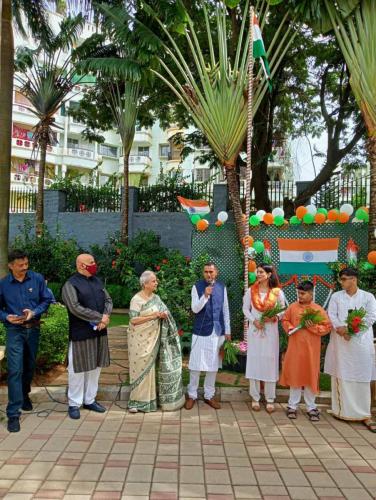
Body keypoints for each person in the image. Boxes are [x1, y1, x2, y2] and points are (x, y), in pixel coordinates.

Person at [0, 250, 52, 433]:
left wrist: (34, 312)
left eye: (26, 264)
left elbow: (47, 300)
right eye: (21, 265)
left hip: (33, 329)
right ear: (11, 266)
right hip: (14, 331)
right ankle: (13, 414)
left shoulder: (36, 279)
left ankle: (24, 394)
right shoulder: (3, 284)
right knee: (15, 369)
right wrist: (7, 317)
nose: (25, 268)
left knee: (29, 367)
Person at [324, 267, 376, 432]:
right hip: (341, 343)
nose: (342, 282)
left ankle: (364, 413)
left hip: (361, 343)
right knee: (343, 373)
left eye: (344, 279)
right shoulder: (336, 296)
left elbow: (370, 317)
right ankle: (341, 411)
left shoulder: (368, 297)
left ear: (354, 279)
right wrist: (341, 330)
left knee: (362, 375)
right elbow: (331, 315)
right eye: (341, 279)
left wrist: (352, 332)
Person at [62, 254, 112, 419]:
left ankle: (89, 399)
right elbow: (75, 307)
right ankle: (74, 404)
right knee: (77, 370)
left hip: (99, 332)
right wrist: (99, 317)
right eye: (91, 262)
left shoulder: (97, 281)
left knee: (95, 368)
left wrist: (105, 316)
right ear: (81, 265)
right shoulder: (70, 284)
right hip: (81, 334)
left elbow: (108, 300)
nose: (94, 264)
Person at [128, 270, 185, 412]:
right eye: (154, 281)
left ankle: (148, 403)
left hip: (152, 339)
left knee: (150, 370)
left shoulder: (156, 298)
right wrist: (154, 316)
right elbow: (133, 320)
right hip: (138, 341)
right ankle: (136, 403)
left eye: (156, 280)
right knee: (139, 369)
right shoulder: (136, 299)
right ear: (145, 284)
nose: (156, 283)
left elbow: (165, 312)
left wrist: (164, 315)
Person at [280, 280, 331, 421]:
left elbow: (327, 327)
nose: (300, 296)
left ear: (311, 293)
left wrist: (313, 327)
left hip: (311, 351)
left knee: (310, 377)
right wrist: (290, 328)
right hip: (295, 348)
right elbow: (285, 320)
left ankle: (311, 407)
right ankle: (292, 406)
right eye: (298, 293)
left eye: (303, 294)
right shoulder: (292, 307)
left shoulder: (318, 309)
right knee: (295, 375)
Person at [185, 262, 231, 410]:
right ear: (203, 273)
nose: (208, 274)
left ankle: (208, 395)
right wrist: (205, 295)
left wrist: (228, 331)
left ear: (216, 272)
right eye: (206, 272)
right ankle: (192, 395)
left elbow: (225, 311)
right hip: (201, 331)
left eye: (211, 271)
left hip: (217, 332)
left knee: (213, 366)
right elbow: (195, 309)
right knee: (195, 365)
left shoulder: (222, 287)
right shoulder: (196, 287)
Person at [243, 263, 285, 413]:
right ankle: (255, 397)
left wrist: (274, 316)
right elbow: (245, 309)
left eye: (261, 272)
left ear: (269, 274)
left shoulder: (277, 292)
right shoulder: (251, 290)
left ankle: (270, 398)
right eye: (257, 272)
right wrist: (254, 320)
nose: (258, 274)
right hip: (255, 330)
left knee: (269, 362)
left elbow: (283, 310)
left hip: (270, 331)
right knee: (254, 361)